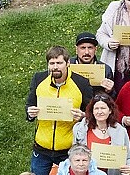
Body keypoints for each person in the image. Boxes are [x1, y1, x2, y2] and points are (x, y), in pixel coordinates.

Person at [24, 46, 93, 175]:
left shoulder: (81, 83)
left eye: (59, 63)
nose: (55, 67)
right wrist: (30, 113)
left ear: (68, 63)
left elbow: (91, 113)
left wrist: (83, 116)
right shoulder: (39, 79)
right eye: (52, 63)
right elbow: (29, 104)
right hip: (41, 148)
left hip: (68, 149)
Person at [71, 94, 130, 175]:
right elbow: (73, 156)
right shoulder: (80, 129)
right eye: (96, 108)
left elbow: (128, 158)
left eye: (103, 108)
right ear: (92, 111)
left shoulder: (121, 131)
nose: (99, 112)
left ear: (110, 110)